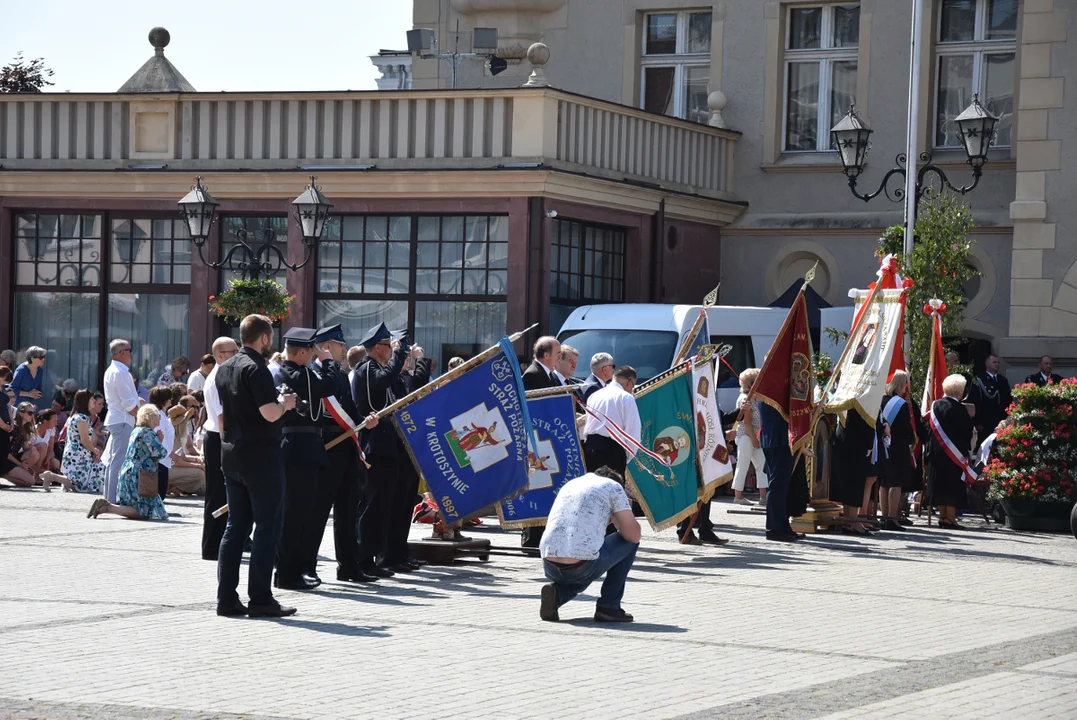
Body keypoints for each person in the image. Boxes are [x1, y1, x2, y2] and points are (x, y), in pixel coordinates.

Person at [215, 314, 298, 618]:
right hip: (260, 457)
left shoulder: (224, 368)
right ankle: (261, 598)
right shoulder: (257, 368)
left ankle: (226, 598)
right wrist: (285, 405)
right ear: (264, 338)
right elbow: (269, 414)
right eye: (271, 336)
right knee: (266, 526)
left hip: (232, 454)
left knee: (236, 527)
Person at [308, 325, 380, 584]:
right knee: (318, 513)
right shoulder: (314, 373)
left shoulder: (340, 373)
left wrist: (364, 420)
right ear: (326, 346)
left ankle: (348, 565)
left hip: (347, 448)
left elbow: (350, 410)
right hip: (328, 448)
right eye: (339, 345)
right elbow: (325, 413)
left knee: (347, 512)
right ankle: (308, 565)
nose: (343, 349)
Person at [273, 327, 336, 591]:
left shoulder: (286, 372)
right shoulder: (299, 373)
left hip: (298, 446)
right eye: (312, 350)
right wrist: (328, 361)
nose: (315, 354)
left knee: (298, 513)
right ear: (302, 352)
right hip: (300, 447)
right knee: (295, 514)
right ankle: (288, 573)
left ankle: (292, 570)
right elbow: (329, 385)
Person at [539, 467, 641, 623]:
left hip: (548, 563)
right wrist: (620, 513)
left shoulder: (572, 484)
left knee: (582, 563)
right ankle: (609, 606)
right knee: (628, 543)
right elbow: (633, 534)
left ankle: (557, 595)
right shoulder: (614, 487)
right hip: (581, 566)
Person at [351, 322, 409, 579]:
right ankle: (362, 558)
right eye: (389, 345)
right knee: (372, 505)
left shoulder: (378, 367)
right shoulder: (367, 368)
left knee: (383, 505)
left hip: (387, 442)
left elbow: (395, 387)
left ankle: (374, 556)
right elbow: (383, 380)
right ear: (377, 347)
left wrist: (399, 357)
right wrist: (401, 354)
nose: (391, 349)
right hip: (374, 443)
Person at [383, 337, 431, 571]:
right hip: (396, 451)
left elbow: (419, 383)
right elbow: (418, 384)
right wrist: (419, 359)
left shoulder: (403, 378)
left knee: (405, 505)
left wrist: (419, 359)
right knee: (395, 506)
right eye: (403, 357)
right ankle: (390, 554)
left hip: (409, 451)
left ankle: (400, 552)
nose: (407, 361)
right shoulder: (392, 379)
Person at [87, 405, 170, 521]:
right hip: (140, 475)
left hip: (128, 472)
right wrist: (160, 441)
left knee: (134, 506)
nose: (160, 420)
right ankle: (107, 507)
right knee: (144, 511)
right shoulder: (148, 433)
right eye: (158, 417)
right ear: (150, 417)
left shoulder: (136, 430)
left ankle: (107, 507)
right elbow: (160, 453)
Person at [201, 336, 238, 561]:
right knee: (216, 494)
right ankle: (212, 547)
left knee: (225, 493)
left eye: (237, 350)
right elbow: (223, 418)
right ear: (219, 356)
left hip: (221, 437)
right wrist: (229, 448)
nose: (237, 354)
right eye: (232, 351)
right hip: (219, 438)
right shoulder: (217, 378)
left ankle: (224, 542)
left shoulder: (226, 374)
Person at [925, 374, 975, 530]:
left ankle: (942, 516)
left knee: (939, 483)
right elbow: (967, 431)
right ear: (959, 392)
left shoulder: (935, 405)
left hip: (935, 452)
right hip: (954, 454)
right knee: (952, 485)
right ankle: (950, 518)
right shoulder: (960, 409)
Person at [878, 370, 923, 531]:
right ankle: (892, 518)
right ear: (901, 384)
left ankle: (884, 517)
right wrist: (912, 439)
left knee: (884, 483)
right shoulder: (901, 404)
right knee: (895, 483)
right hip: (898, 447)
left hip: (884, 446)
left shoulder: (881, 400)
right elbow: (906, 428)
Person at [101, 339, 144, 504]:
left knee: (114, 459)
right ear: (121, 353)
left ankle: (109, 497)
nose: (131, 353)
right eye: (129, 350)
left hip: (117, 418)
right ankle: (112, 499)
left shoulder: (114, 370)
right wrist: (141, 418)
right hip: (122, 419)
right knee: (118, 460)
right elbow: (128, 402)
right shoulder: (120, 372)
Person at [580, 366, 640, 477]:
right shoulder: (626, 397)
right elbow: (633, 431)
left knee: (593, 489)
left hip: (592, 447)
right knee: (612, 491)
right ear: (629, 382)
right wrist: (626, 456)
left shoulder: (594, 396)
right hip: (613, 449)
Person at [731, 368, 768, 506]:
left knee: (761, 465)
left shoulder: (756, 398)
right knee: (743, 464)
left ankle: (763, 497)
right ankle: (738, 496)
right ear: (751, 383)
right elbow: (746, 423)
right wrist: (754, 439)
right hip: (746, 436)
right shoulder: (745, 399)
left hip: (756, 436)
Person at [62, 389, 107, 494]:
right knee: (80, 484)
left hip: (78, 454)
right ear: (85, 401)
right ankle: (51, 476)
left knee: (79, 483)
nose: (94, 402)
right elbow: (84, 439)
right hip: (78, 455)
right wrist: (95, 451)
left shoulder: (77, 416)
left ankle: (52, 477)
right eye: (92, 399)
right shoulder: (82, 418)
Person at [966, 354, 1011, 450]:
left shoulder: (1002, 380)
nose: (997, 364)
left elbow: (1008, 400)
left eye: (998, 362)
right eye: (994, 362)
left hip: (1001, 422)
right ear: (987, 364)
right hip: (985, 423)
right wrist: (977, 422)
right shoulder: (979, 379)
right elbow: (974, 401)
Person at [165, 404, 206, 495]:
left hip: (174, 465)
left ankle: (175, 487)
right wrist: (198, 465)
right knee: (199, 474)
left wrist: (198, 458)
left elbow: (184, 453)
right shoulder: (172, 434)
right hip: (168, 468)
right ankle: (172, 486)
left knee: (202, 472)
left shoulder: (182, 431)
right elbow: (177, 461)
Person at [148, 386, 174, 500]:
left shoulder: (161, 415)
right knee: (159, 491)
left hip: (164, 458)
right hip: (160, 459)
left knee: (161, 491)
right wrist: (167, 453)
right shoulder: (159, 416)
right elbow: (159, 438)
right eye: (168, 397)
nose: (171, 400)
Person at [11, 346, 47, 410]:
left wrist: (37, 393)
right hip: (19, 407)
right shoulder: (21, 370)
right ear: (33, 358)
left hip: (31, 406)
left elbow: (39, 387)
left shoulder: (40, 371)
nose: (43, 359)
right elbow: (12, 389)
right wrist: (28, 394)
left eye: (44, 357)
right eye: (41, 357)